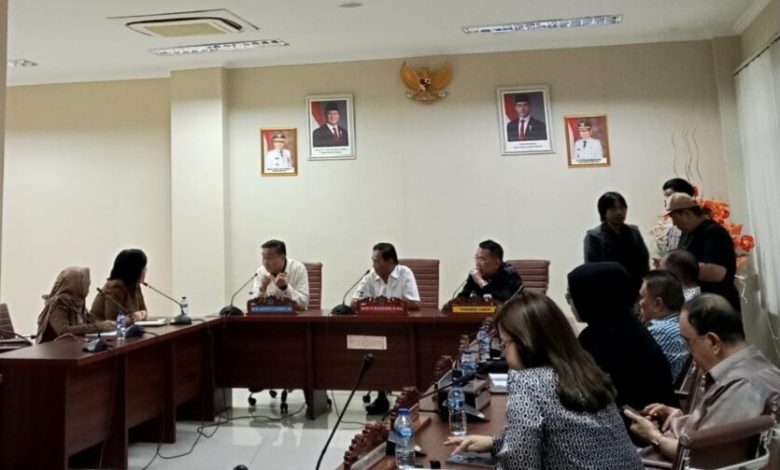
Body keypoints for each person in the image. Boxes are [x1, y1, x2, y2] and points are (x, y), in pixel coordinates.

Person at [444, 291, 643, 469]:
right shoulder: (586, 371)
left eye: (504, 344)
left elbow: (519, 463)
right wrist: (496, 443)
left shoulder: (526, 381)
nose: (503, 353)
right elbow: (568, 438)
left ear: (526, 342)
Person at [625, 294, 780, 461]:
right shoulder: (754, 366)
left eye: (687, 342)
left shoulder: (743, 388)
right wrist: (679, 420)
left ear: (713, 342)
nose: (688, 351)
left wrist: (653, 436)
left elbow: (697, 457)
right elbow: (714, 429)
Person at [567, 262, 677, 417]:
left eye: (572, 296)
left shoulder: (606, 341)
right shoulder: (627, 327)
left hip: (639, 423)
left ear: (591, 298)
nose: (571, 303)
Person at [351, 242, 420, 414]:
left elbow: (415, 303)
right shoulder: (370, 276)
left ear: (390, 262)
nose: (373, 264)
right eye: (373, 260)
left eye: (376, 261)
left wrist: (391, 305)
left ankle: (410, 396)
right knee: (374, 349)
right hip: (377, 329)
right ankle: (381, 396)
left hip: (402, 330)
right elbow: (354, 302)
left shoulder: (405, 273)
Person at [665, 192, 740, 312]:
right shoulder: (687, 233)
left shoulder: (713, 233)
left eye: (674, 218)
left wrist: (676, 265)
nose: (674, 224)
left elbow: (717, 273)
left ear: (686, 214)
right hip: (699, 304)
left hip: (718, 306)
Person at [584, 191, 650, 294]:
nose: (619, 212)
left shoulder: (634, 232)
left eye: (622, 208)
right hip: (608, 292)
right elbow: (592, 270)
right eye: (613, 208)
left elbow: (644, 263)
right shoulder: (594, 237)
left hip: (636, 290)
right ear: (604, 212)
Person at [35, 266, 115, 343]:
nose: (88, 289)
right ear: (77, 284)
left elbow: (90, 321)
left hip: (72, 347)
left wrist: (109, 324)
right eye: (86, 284)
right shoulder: (58, 303)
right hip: (53, 349)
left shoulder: (78, 301)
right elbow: (64, 331)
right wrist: (101, 327)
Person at [638, 270, 689, 383]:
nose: (639, 303)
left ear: (658, 304)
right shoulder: (679, 324)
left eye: (641, 297)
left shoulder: (661, 331)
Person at [454, 240, 523, 303]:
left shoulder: (510, 275)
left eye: (482, 259)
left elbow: (504, 301)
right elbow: (462, 298)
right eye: (476, 258)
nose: (477, 263)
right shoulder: (475, 275)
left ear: (496, 263)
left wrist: (481, 282)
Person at [92, 249, 149, 322]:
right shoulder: (116, 287)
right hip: (101, 328)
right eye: (143, 268)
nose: (145, 271)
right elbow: (113, 320)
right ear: (134, 269)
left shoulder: (135, 285)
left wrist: (141, 314)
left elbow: (144, 310)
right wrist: (133, 318)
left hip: (126, 328)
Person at [251, 239, 309, 311]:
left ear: (282, 258)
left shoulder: (298, 269)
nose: (265, 262)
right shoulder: (261, 271)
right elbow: (253, 306)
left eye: (269, 258)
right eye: (263, 258)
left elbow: (303, 304)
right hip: (268, 316)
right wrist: (262, 289)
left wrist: (285, 288)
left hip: (293, 316)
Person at [660, 178, 697, 251]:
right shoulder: (673, 226)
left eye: (669, 196)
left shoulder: (702, 229)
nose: (665, 201)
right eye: (665, 197)